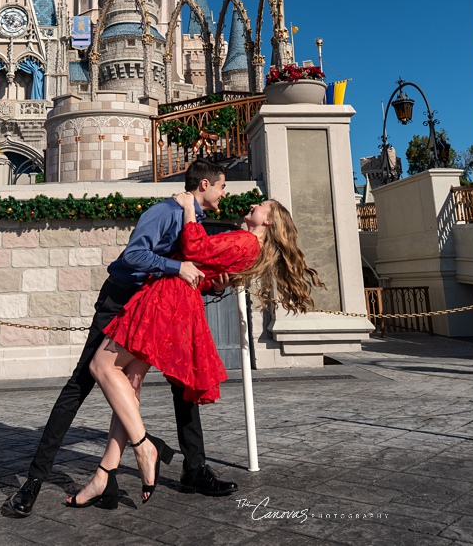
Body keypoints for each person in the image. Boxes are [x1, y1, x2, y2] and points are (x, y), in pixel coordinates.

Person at [3, 159, 237, 517]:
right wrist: (178, 267)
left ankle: (189, 469)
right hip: (121, 301)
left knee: (179, 382)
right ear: (204, 184)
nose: (225, 193)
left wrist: (207, 283)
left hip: (156, 307)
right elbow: (134, 254)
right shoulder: (165, 211)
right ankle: (34, 480)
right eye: (222, 185)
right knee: (81, 383)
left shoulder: (196, 221)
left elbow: (187, 270)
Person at [65, 192, 321, 508]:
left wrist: (187, 207)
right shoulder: (248, 247)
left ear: (268, 220)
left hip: (164, 300)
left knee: (101, 367)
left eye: (262, 206)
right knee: (129, 385)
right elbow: (201, 273)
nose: (253, 205)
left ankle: (144, 446)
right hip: (176, 301)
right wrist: (213, 283)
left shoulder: (245, 241)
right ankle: (103, 475)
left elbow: (194, 248)